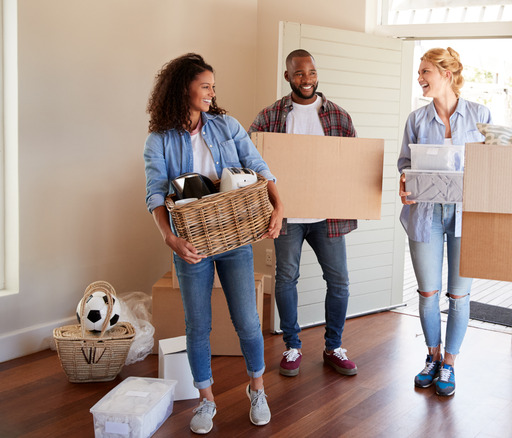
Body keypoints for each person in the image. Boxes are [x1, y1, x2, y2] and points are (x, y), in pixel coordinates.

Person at [143, 53, 284, 434]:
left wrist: (278, 206)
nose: (211, 92)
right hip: (190, 243)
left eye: (212, 87)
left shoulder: (227, 126)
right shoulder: (158, 140)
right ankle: (206, 400)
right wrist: (171, 239)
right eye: (205, 86)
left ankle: (257, 389)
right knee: (197, 324)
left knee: (248, 320)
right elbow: (156, 195)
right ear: (182, 88)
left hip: (234, 236)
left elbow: (258, 167)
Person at [249, 49, 358, 378]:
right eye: (299, 74)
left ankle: (333, 347)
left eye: (311, 72)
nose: (306, 79)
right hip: (287, 216)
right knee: (286, 279)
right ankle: (292, 346)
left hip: (328, 216)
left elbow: (353, 162)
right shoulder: (270, 117)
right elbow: (251, 159)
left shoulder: (338, 117)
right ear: (287, 77)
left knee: (339, 282)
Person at [397, 47, 492, 396]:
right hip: (426, 213)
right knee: (427, 293)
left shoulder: (481, 115)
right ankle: (432, 357)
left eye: (425, 72)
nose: (420, 78)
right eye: (419, 72)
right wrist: (405, 185)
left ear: (446, 75)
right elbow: (404, 164)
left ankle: (450, 364)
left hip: (467, 214)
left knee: (459, 295)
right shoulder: (417, 120)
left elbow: (493, 165)